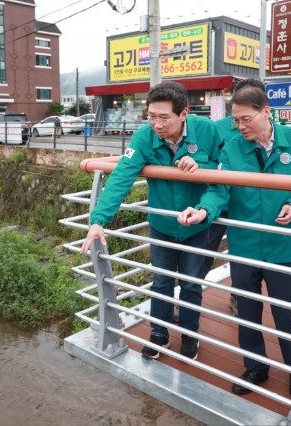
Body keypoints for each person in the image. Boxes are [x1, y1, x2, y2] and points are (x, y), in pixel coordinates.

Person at [177, 86, 291, 396]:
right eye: (235, 121)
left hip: (283, 246)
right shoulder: (231, 149)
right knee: (247, 311)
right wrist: (204, 210)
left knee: (288, 314)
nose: (240, 126)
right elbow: (218, 189)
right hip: (243, 247)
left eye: (246, 119)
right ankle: (256, 366)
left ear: (266, 112)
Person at [80, 81, 223, 361]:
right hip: (162, 224)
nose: (156, 124)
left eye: (164, 117)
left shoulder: (207, 131)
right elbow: (122, 177)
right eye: (151, 116)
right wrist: (98, 220)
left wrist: (201, 169)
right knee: (160, 282)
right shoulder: (144, 137)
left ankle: (190, 334)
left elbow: (223, 173)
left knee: (192, 283)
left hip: (197, 225)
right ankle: (159, 333)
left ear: (184, 113)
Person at [211, 78, 268, 318]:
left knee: (251, 254)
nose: (241, 125)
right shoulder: (218, 128)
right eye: (237, 118)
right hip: (219, 198)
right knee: (205, 250)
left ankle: (238, 295)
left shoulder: (277, 131)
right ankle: (181, 298)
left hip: (251, 205)